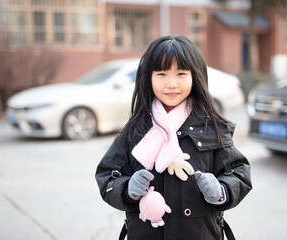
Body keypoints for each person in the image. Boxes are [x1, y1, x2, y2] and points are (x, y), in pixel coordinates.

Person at [95, 35, 252, 240]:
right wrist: (127, 189)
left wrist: (221, 190)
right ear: (148, 77)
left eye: (180, 73)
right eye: (161, 73)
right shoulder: (135, 130)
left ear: (195, 76)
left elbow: (239, 172)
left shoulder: (211, 126)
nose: (171, 83)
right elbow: (107, 174)